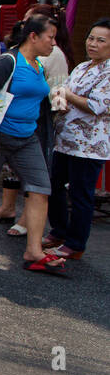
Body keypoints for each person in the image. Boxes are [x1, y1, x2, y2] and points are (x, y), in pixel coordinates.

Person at [0, 14, 65, 274]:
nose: (54, 43)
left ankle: (34, 251)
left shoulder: (38, 64)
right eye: (50, 37)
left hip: (27, 139)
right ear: (33, 36)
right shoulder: (8, 62)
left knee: (41, 189)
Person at [0, 3, 72, 233]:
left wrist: (56, 114)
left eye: (31, 19)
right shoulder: (20, 50)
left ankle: (24, 221)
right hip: (11, 120)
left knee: (35, 178)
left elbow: (59, 90)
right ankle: (7, 208)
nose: (24, 22)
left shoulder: (55, 53)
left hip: (38, 120)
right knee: (9, 171)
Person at [44, 18, 110, 260]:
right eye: (91, 38)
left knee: (81, 195)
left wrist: (67, 95)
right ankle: (59, 231)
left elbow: (96, 106)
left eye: (100, 40)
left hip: (89, 146)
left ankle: (75, 243)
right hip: (65, 139)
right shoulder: (83, 67)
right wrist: (60, 103)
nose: (93, 44)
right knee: (54, 185)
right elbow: (62, 94)